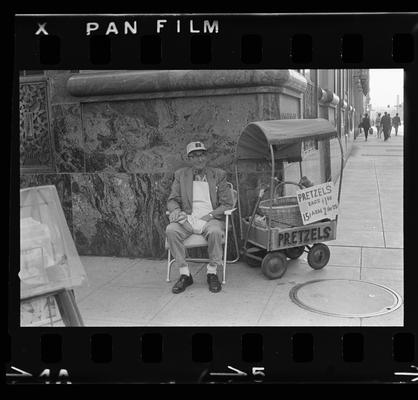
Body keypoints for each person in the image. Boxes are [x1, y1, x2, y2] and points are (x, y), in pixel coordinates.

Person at [166, 141, 233, 294]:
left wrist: (210, 215)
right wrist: (175, 210)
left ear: (206, 157)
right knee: (171, 230)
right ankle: (185, 274)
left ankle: (212, 272)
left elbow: (227, 203)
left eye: (202, 155)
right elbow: (172, 199)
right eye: (194, 156)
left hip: (211, 218)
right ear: (188, 159)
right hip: (188, 218)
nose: (199, 159)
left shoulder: (218, 175)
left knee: (215, 232)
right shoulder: (181, 175)